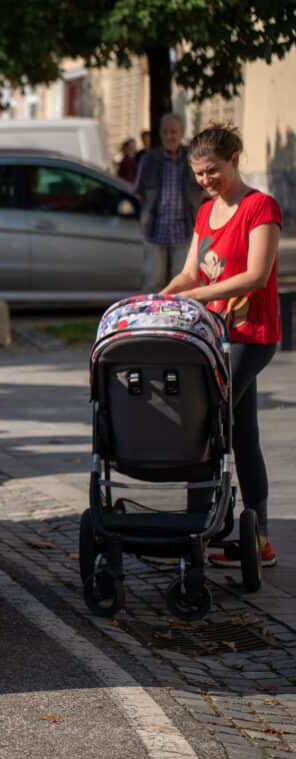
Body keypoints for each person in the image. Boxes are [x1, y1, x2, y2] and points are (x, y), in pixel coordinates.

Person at [160, 122, 281, 568]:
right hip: (215, 335)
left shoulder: (260, 207)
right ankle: (258, 539)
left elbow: (256, 275)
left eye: (213, 170)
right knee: (243, 433)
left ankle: (199, 529)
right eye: (198, 174)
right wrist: (161, 298)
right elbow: (190, 273)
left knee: (207, 423)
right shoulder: (206, 212)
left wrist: (195, 296)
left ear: (234, 160)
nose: (206, 180)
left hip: (251, 335)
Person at [135, 113, 205, 284]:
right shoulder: (149, 159)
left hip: (185, 229)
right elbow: (139, 192)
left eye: (173, 132)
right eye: (165, 132)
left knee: (181, 284)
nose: (169, 136)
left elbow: (205, 189)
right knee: (153, 282)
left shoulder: (194, 159)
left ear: (182, 132)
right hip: (155, 229)